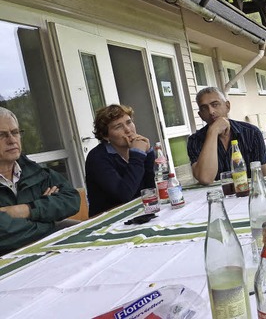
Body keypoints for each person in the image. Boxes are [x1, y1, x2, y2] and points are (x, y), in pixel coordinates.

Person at [0, 107, 80, 255]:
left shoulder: (31, 169)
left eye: (15, 132)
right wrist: (48, 221)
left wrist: (26, 209)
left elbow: (71, 199)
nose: (12, 140)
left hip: (46, 248)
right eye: (2, 135)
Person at [85, 104, 155, 217]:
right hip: (109, 219)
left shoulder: (136, 150)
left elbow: (149, 190)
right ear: (106, 136)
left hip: (137, 213)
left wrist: (149, 154)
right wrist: (138, 155)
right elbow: (124, 194)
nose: (128, 130)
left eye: (129, 122)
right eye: (118, 127)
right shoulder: (97, 157)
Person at [188, 87, 266, 184]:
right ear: (200, 115)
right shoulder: (195, 140)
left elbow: (262, 177)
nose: (211, 111)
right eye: (204, 108)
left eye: (215, 104)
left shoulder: (252, 133)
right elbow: (205, 178)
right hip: (217, 196)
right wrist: (212, 132)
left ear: (227, 106)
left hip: (248, 193)